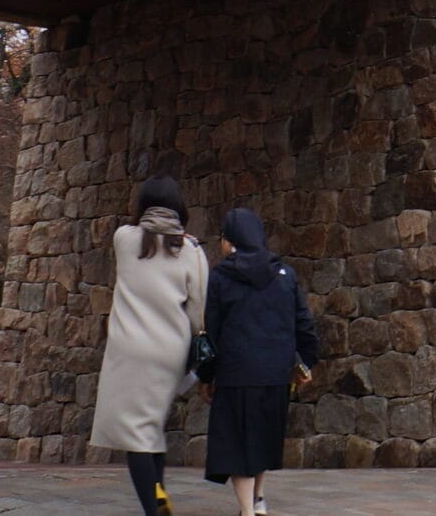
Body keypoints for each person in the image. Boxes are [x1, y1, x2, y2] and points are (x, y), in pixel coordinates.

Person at [90, 176, 207, 516]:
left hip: (129, 350)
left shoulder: (124, 239)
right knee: (150, 425)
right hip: (170, 352)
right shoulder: (193, 252)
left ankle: (155, 506)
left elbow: (139, 236)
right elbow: (198, 311)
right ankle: (159, 496)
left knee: (137, 433)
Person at [202, 207, 318, 516]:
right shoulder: (285, 275)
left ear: (231, 241)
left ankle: (247, 511)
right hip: (277, 375)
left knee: (239, 447)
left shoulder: (221, 278)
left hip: (236, 374)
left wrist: (206, 377)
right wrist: (305, 364)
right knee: (263, 439)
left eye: (223, 239)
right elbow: (303, 323)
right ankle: (259, 499)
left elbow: (211, 331)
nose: (221, 245)